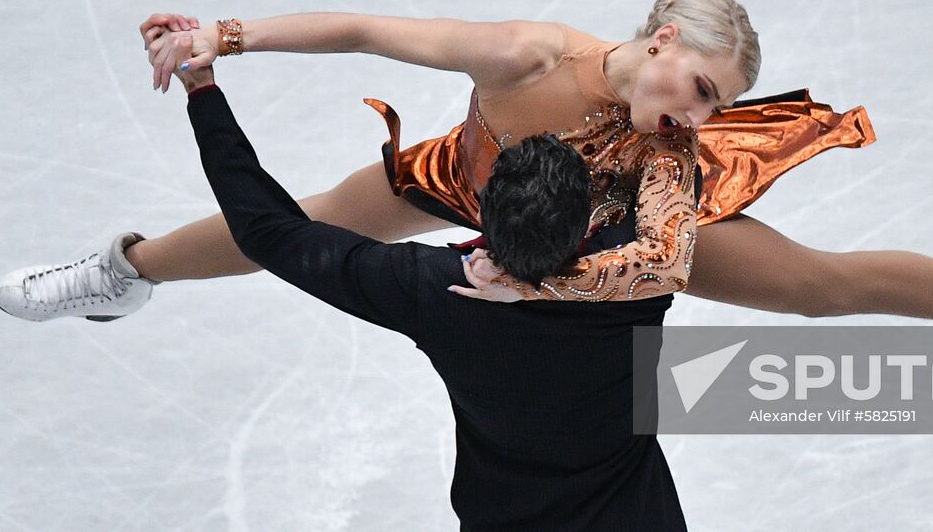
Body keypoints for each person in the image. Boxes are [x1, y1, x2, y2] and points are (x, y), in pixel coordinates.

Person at [0, 0, 933, 398]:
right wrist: (226, 37)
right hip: (464, 186)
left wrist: (565, 271)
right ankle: (119, 272)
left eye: (717, 104)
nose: (697, 116)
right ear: (656, 41)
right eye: (697, 86)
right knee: (277, 233)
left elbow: (657, 256)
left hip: (600, 237)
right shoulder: (527, 57)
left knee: (814, 287)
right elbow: (358, 25)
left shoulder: (668, 155)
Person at [167, 48, 688, 530]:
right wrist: (670, 124)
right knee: (750, 382)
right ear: (585, 224)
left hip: (504, 520)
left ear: (480, 208)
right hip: (639, 517)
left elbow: (266, 231)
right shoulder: (634, 284)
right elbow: (671, 198)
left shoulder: (437, 290)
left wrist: (203, 94)